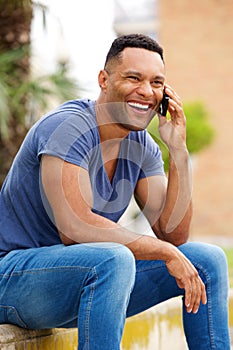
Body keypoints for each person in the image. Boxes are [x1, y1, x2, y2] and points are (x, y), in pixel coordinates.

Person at [0, 33, 230, 349]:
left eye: (156, 83)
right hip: (13, 278)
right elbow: (75, 227)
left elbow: (173, 234)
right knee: (113, 258)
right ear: (104, 80)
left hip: (82, 283)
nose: (146, 91)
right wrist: (163, 252)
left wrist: (177, 150)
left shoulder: (142, 146)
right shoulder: (67, 128)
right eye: (133, 78)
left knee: (208, 260)